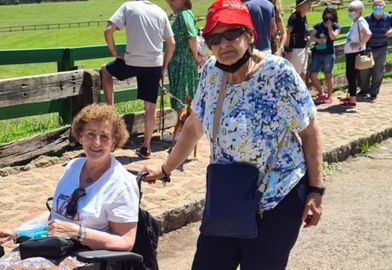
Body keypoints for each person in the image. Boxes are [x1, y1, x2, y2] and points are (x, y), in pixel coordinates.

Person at [142, 0, 324, 269]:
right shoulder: (211, 73)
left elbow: (309, 133)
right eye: (214, 38)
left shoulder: (277, 73)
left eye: (232, 34)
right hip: (228, 197)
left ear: (250, 35)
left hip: (276, 197)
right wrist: (166, 168)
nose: (223, 44)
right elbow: (194, 126)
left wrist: (316, 191)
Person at [0, 104, 140, 269]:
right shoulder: (73, 167)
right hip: (51, 244)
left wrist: (78, 233)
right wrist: (16, 232)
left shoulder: (122, 183)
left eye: (105, 137)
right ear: (80, 137)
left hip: (86, 254)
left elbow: (125, 242)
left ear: (114, 142)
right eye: (91, 134)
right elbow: (55, 213)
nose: (96, 142)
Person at [101, 0, 175, 159]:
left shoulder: (128, 7)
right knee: (150, 107)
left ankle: (111, 109)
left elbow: (108, 31)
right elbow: (171, 43)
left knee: (105, 71)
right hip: (153, 65)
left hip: (132, 62)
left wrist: (115, 53)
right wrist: (163, 68)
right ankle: (146, 148)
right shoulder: (160, 12)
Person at [162, 0, 202, 143]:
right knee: (186, 95)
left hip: (183, 63)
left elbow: (191, 36)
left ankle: (181, 133)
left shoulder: (183, 15)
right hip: (183, 62)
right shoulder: (184, 14)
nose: (169, 2)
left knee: (182, 95)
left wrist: (195, 55)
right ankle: (185, 131)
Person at [340, 0, 372, 108]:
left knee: (351, 75)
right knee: (350, 75)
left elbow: (368, 34)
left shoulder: (360, 22)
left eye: (351, 10)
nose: (349, 12)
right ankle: (350, 95)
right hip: (351, 52)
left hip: (354, 53)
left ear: (358, 11)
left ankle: (352, 99)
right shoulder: (356, 21)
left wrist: (359, 44)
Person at [359, 0, 392, 102]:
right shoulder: (366, 18)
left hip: (382, 47)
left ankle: (374, 92)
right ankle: (364, 89)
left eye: (380, 5)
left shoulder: (389, 18)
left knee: (379, 71)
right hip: (368, 48)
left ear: (384, 7)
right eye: (375, 5)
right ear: (372, 7)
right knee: (364, 70)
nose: (377, 7)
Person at [310, 7, 341, 105]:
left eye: (330, 16)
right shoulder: (318, 25)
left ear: (334, 16)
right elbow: (312, 36)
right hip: (317, 53)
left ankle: (330, 96)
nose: (328, 18)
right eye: (327, 15)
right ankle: (321, 93)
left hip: (328, 54)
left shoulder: (336, 26)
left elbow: (333, 37)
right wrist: (317, 40)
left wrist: (330, 27)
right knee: (313, 75)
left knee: (328, 75)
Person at [284, 0, 312, 81]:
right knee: (295, 75)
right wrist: (287, 49)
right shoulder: (295, 17)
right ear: (301, 6)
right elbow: (288, 32)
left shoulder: (304, 16)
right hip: (296, 50)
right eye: (308, 3)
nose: (310, 5)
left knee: (303, 73)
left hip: (304, 48)